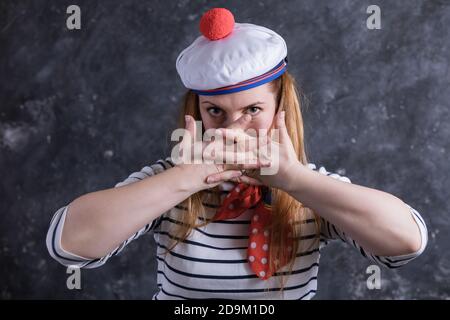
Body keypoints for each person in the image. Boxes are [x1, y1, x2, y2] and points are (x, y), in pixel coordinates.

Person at [46, 8, 428, 300]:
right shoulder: (169, 184)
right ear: (196, 112)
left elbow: (407, 242)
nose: (232, 129)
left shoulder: (310, 189)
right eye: (216, 112)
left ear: (281, 109)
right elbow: (68, 244)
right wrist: (188, 177)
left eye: (252, 111)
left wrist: (295, 180)